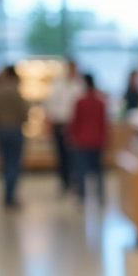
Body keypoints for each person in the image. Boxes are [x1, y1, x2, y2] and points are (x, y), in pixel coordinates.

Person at [0, 65, 27, 208]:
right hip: (15, 130)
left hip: (1, 130)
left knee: (5, 164)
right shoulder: (17, 91)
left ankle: (6, 195)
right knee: (14, 164)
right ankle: (11, 196)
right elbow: (24, 113)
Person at [43, 60, 83, 193]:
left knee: (74, 154)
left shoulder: (79, 84)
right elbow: (49, 103)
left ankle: (74, 180)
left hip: (74, 124)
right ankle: (64, 181)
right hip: (59, 122)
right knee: (61, 154)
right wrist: (49, 122)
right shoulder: (57, 84)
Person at [67, 73, 107, 202]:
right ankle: (100, 196)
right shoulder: (100, 102)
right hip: (97, 140)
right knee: (98, 170)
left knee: (81, 170)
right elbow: (104, 123)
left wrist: (71, 137)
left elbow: (75, 122)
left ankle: (81, 196)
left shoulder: (80, 102)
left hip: (82, 141)